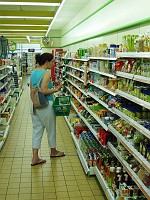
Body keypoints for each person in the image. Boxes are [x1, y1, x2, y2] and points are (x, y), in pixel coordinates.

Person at [30, 52, 65, 166]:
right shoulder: (46, 73)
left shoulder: (34, 72)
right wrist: (56, 89)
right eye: (52, 61)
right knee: (51, 129)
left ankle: (35, 157)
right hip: (45, 105)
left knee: (37, 131)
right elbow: (44, 91)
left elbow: (32, 90)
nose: (53, 64)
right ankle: (53, 151)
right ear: (46, 62)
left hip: (35, 105)